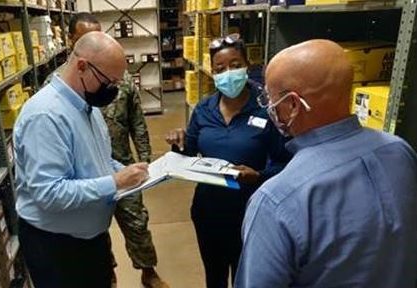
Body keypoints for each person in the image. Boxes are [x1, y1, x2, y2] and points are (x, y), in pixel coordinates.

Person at [235, 39, 417, 287]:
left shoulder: (277, 200)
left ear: (292, 105)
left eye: (270, 98)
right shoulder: (399, 150)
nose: (269, 107)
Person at [14, 31, 150, 288]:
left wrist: (128, 172)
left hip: (90, 240)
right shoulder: (46, 116)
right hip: (58, 248)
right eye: (109, 82)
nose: (113, 90)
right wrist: (115, 182)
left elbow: (98, 160)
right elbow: (49, 193)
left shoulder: (87, 107)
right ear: (82, 66)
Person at [43, 13, 169, 288]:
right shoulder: (58, 87)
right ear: (72, 42)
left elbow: (137, 123)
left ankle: (148, 270)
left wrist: (145, 160)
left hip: (120, 162)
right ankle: (108, 270)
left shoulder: (117, 78)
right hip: (86, 172)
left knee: (136, 221)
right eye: (85, 38)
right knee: (98, 227)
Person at [165, 34, 291, 288]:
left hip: (250, 212)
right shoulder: (204, 109)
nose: (228, 74)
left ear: (247, 65)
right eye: (220, 69)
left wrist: (258, 175)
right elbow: (190, 153)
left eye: (235, 65)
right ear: (212, 72)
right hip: (208, 211)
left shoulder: (266, 108)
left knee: (248, 277)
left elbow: (286, 162)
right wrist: (179, 144)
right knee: (214, 277)